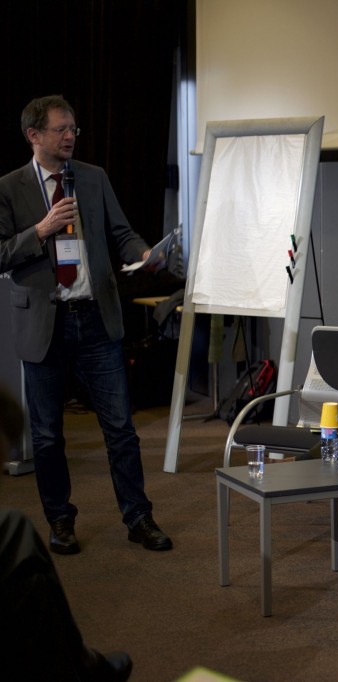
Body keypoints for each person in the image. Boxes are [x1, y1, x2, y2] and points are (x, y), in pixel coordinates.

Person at [0, 95, 171, 555]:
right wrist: (39, 231)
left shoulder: (92, 178)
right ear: (34, 136)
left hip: (96, 319)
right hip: (44, 325)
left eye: (74, 128)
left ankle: (138, 517)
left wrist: (142, 253)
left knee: (120, 428)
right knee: (48, 433)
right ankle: (60, 520)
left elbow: (121, 232)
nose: (71, 136)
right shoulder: (9, 187)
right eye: (61, 129)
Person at [0, 384, 133, 680]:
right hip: (42, 346)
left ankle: (138, 517)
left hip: (98, 338)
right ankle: (80, 663)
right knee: (14, 530)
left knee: (121, 427)